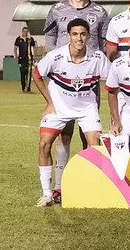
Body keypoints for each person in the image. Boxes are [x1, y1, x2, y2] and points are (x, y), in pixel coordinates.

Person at [42, 0, 109, 202]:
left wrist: (96, 61)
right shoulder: (57, 9)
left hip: (89, 81)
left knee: (89, 132)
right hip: (63, 81)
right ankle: (59, 187)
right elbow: (49, 35)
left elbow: (104, 42)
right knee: (64, 133)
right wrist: (56, 58)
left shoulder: (100, 13)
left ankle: (88, 184)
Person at [32, 18, 109, 206]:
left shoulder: (97, 57)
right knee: (44, 144)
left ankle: (90, 189)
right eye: (75, 34)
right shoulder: (56, 56)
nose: (79, 38)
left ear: (88, 36)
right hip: (59, 108)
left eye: (83, 34)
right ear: (68, 36)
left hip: (86, 108)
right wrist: (50, 102)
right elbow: (36, 74)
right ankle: (47, 193)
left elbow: (113, 81)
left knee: (94, 146)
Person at [14, 27, 36, 92]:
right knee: (22, 72)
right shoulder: (18, 39)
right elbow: (15, 48)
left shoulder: (30, 39)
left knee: (29, 73)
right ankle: (23, 87)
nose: (25, 33)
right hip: (21, 59)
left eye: (26, 31)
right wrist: (16, 56)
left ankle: (28, 88)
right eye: (24, 31)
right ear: (22, 31)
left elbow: (34, 47)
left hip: (29, 59)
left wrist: (34, 56)